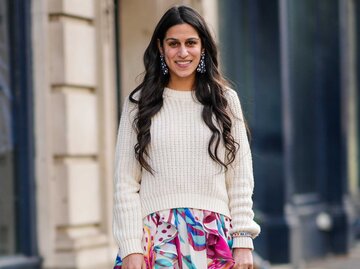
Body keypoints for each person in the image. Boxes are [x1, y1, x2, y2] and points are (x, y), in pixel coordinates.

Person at [113, 5, 260, 269]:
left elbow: (240, 178)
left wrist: (243, 240)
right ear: (161, 47)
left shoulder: (225, 101)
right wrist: (131, 249)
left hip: (215, 238)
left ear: (203, 47)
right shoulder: (138, 104)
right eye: (174, 43)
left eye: (191, 43)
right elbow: (125, 185)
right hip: (155, 241)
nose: (183, 52)